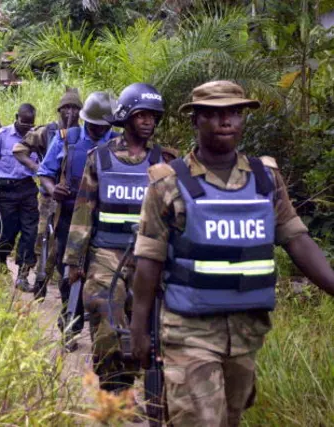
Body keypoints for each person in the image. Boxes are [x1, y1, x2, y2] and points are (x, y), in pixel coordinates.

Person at [130, 80, 334, 426]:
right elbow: (149, 260)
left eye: (235, 113)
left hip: (246, 332)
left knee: (230, 418)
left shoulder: (265, 178)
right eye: (214, 114)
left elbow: (296, 239)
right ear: (195, 120)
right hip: (188, 331)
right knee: (200, 420)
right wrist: (139, 329)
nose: (226, 122)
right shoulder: (168, 183)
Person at [63, 84, 177, 392]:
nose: (148, 122)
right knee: (106, 317)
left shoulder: (164, 162)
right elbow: (84, 209)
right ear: (126, 117)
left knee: (143, 327)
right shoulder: (98, 158)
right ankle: (116, 390)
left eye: (153, 117)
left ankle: (141, 384)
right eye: (141, 115)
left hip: (149, 258)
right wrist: (74, 260)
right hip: (105, 254)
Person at [38, 92, 119, 351]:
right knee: (69, 278)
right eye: (94, 125)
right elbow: (45, 173)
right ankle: (70, 328)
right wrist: (53, 189)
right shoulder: (67, 139)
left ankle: (104, 336)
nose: (98, 130)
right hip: (68, 220)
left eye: (103, 126)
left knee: (101, 281)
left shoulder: (117, 143)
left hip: (104, 223)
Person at [13, 89, 83, 295]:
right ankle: (26, 274)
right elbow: (19, 150)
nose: (70, 112)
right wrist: (40, 169)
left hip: (73, 199)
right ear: (59, 110)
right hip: (47, 196)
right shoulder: (48, 132)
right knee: (40, 235)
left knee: (63, 241)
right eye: (66, 108)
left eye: (75, 108)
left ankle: (61, 284)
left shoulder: (83, 134)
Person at [0, 104, 39, 286]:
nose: (27, 127)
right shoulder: (2, 135)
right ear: (16, 117)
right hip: (6, 189)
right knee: (6, 231)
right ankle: (0, 264)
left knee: (30, 231)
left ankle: (23, 274)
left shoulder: (36, 137)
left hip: (27, 188)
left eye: (30, 124)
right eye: (24, 123)